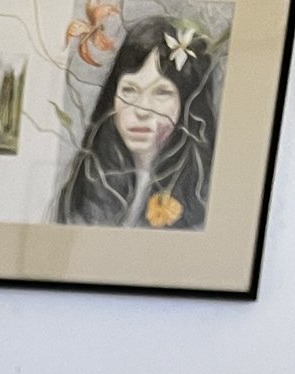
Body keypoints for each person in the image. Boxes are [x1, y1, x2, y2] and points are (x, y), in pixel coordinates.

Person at [53, 16, 219, 231]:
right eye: (129, 90)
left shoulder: (204, 193)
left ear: (188, 105)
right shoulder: (88, 182)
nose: (141, 110)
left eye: (162, 92)